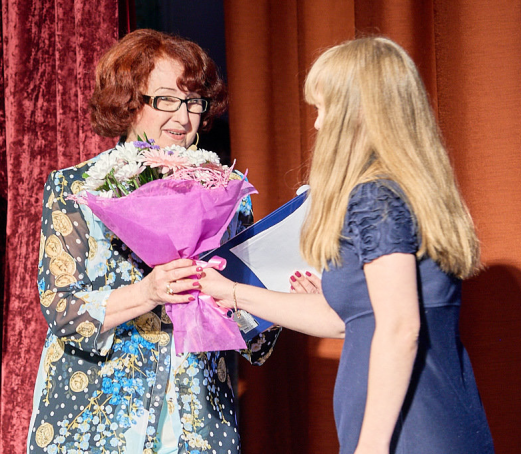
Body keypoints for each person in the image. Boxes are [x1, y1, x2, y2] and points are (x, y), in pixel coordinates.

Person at [200, 36, 494, 454]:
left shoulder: (375, 196)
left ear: (358, 112)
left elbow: (400, 327)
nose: (318, 125)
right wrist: (230, 292)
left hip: (409, 429)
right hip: (431, 418)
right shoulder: (402, 189)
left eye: (324, 109)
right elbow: (347, 321)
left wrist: (371, 445)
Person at [27, 29, 281, 453]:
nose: (183, 117)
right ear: (128, 103)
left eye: (194, 101)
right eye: (165, 100)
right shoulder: (77, 189)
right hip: (96, 415)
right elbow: (61, 310)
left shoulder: (227, 193)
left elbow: (256, 342)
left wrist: (280, 299)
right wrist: (147, 292)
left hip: (196, 415)